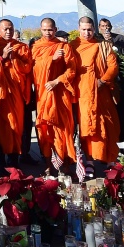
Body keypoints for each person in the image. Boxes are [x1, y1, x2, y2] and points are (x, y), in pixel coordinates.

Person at [0, 19, 33, 168]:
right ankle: (2, 161)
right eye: (5, 29)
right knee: (2, 125)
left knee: (16, 125)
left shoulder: (21, 47)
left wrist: (14, 59)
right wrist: (3, 57)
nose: (8, 31)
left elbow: (27, 68)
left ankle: (13, 161)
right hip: (0, 94)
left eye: (10, 29)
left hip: (15, 93)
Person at [72, 17, 120, 168]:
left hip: (102, 93)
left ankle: (110, 159)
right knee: (87, 126)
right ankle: (90, 160)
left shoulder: (103, 46)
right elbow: (68, 68)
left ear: (94, 29)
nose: (87, 33)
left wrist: (103, 80)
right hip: (83, 93)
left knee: (108, 125)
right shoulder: (73, 46)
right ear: (79, 29)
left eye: (90, 29)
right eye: (84, 29)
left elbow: (113, 67)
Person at [32, 18, 78, 174]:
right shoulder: (37, 47)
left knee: (63, 128)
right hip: (44, 94)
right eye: (44, 30)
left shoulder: (64, 47)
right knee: (45, 128)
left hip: (60, 94)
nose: (47, 33)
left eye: (50, 30)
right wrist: (51, 59)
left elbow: (72, 71)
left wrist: (57, 81)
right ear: (40, 29)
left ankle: (64, 163)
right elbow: (35, 69)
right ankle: (48, 162)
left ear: (56, 29)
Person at [99, 18, 124, 149]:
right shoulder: (96, 40)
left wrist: (111, 44)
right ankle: (109, 145)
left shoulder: (120, 38)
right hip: (103, 84)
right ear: (99, 28)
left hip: (118, 83)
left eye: (107, 26)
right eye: (102, 26)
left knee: (121, 115)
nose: (105, 28)